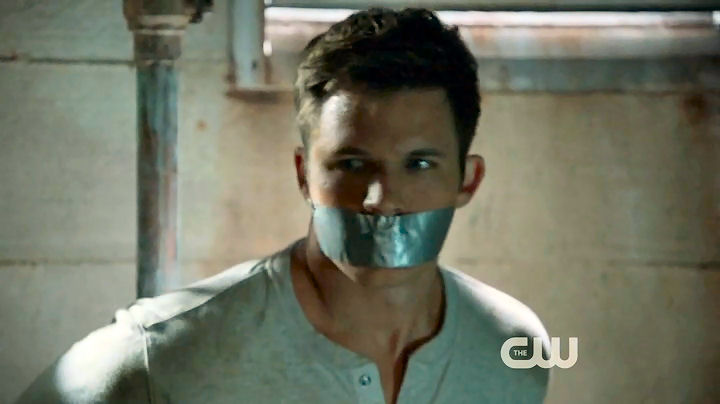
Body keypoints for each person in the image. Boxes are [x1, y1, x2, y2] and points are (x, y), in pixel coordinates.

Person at [16, 7, 551, 404]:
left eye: (419, 164)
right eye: (351, 164)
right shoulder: (163, 354)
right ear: (303, 175)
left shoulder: (513, 345)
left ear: (468, 181)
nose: (380, 200)